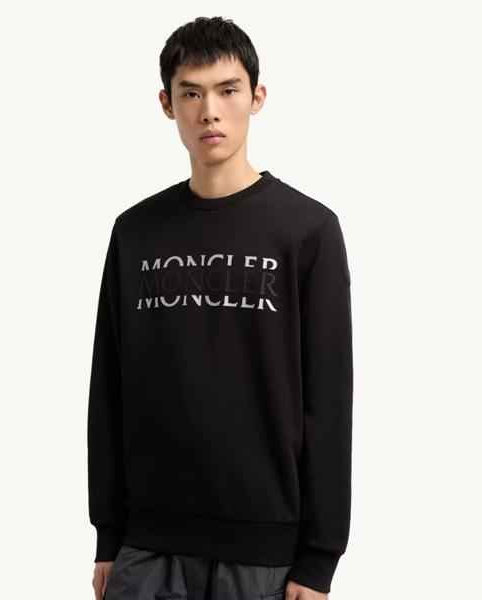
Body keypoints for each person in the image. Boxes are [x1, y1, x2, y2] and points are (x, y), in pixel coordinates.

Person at [87, 15, 353, 600]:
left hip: (264, 554)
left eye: (228, 90)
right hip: (146, 546)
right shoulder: (136, 232)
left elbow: (329, 402)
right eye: (191, 93)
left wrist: (319, 559)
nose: (210, 111)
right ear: (167, 104)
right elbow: (108, 389)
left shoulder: (308, 230)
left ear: (257, 97)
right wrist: (108, 536)